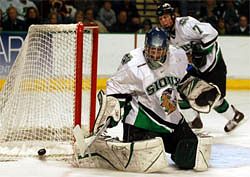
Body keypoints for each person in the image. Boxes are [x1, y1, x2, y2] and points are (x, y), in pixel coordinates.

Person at [104, 27, 211, 171]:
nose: (154, 56)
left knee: (190, 156)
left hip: (171, 119)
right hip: (141, 122)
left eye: (159, 51)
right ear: (145, 47)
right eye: (151, 51)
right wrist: (112, 110)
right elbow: (115, 87)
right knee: (147, 163)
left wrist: (195, 88)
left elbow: (183, 78)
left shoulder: (177, 56)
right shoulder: (132, 63)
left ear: (166, 48)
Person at [156, 2, 246, 132]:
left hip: (213, 64)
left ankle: (235, 116)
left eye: (166, 17)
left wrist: (200, 51)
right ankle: (194, 121)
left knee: (213, 98)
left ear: (173, 16)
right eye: (161, 19)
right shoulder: (167, 36)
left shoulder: (186, 24)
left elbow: (212, 33)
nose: (164, 21)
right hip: (196, 68)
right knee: (181, 92)